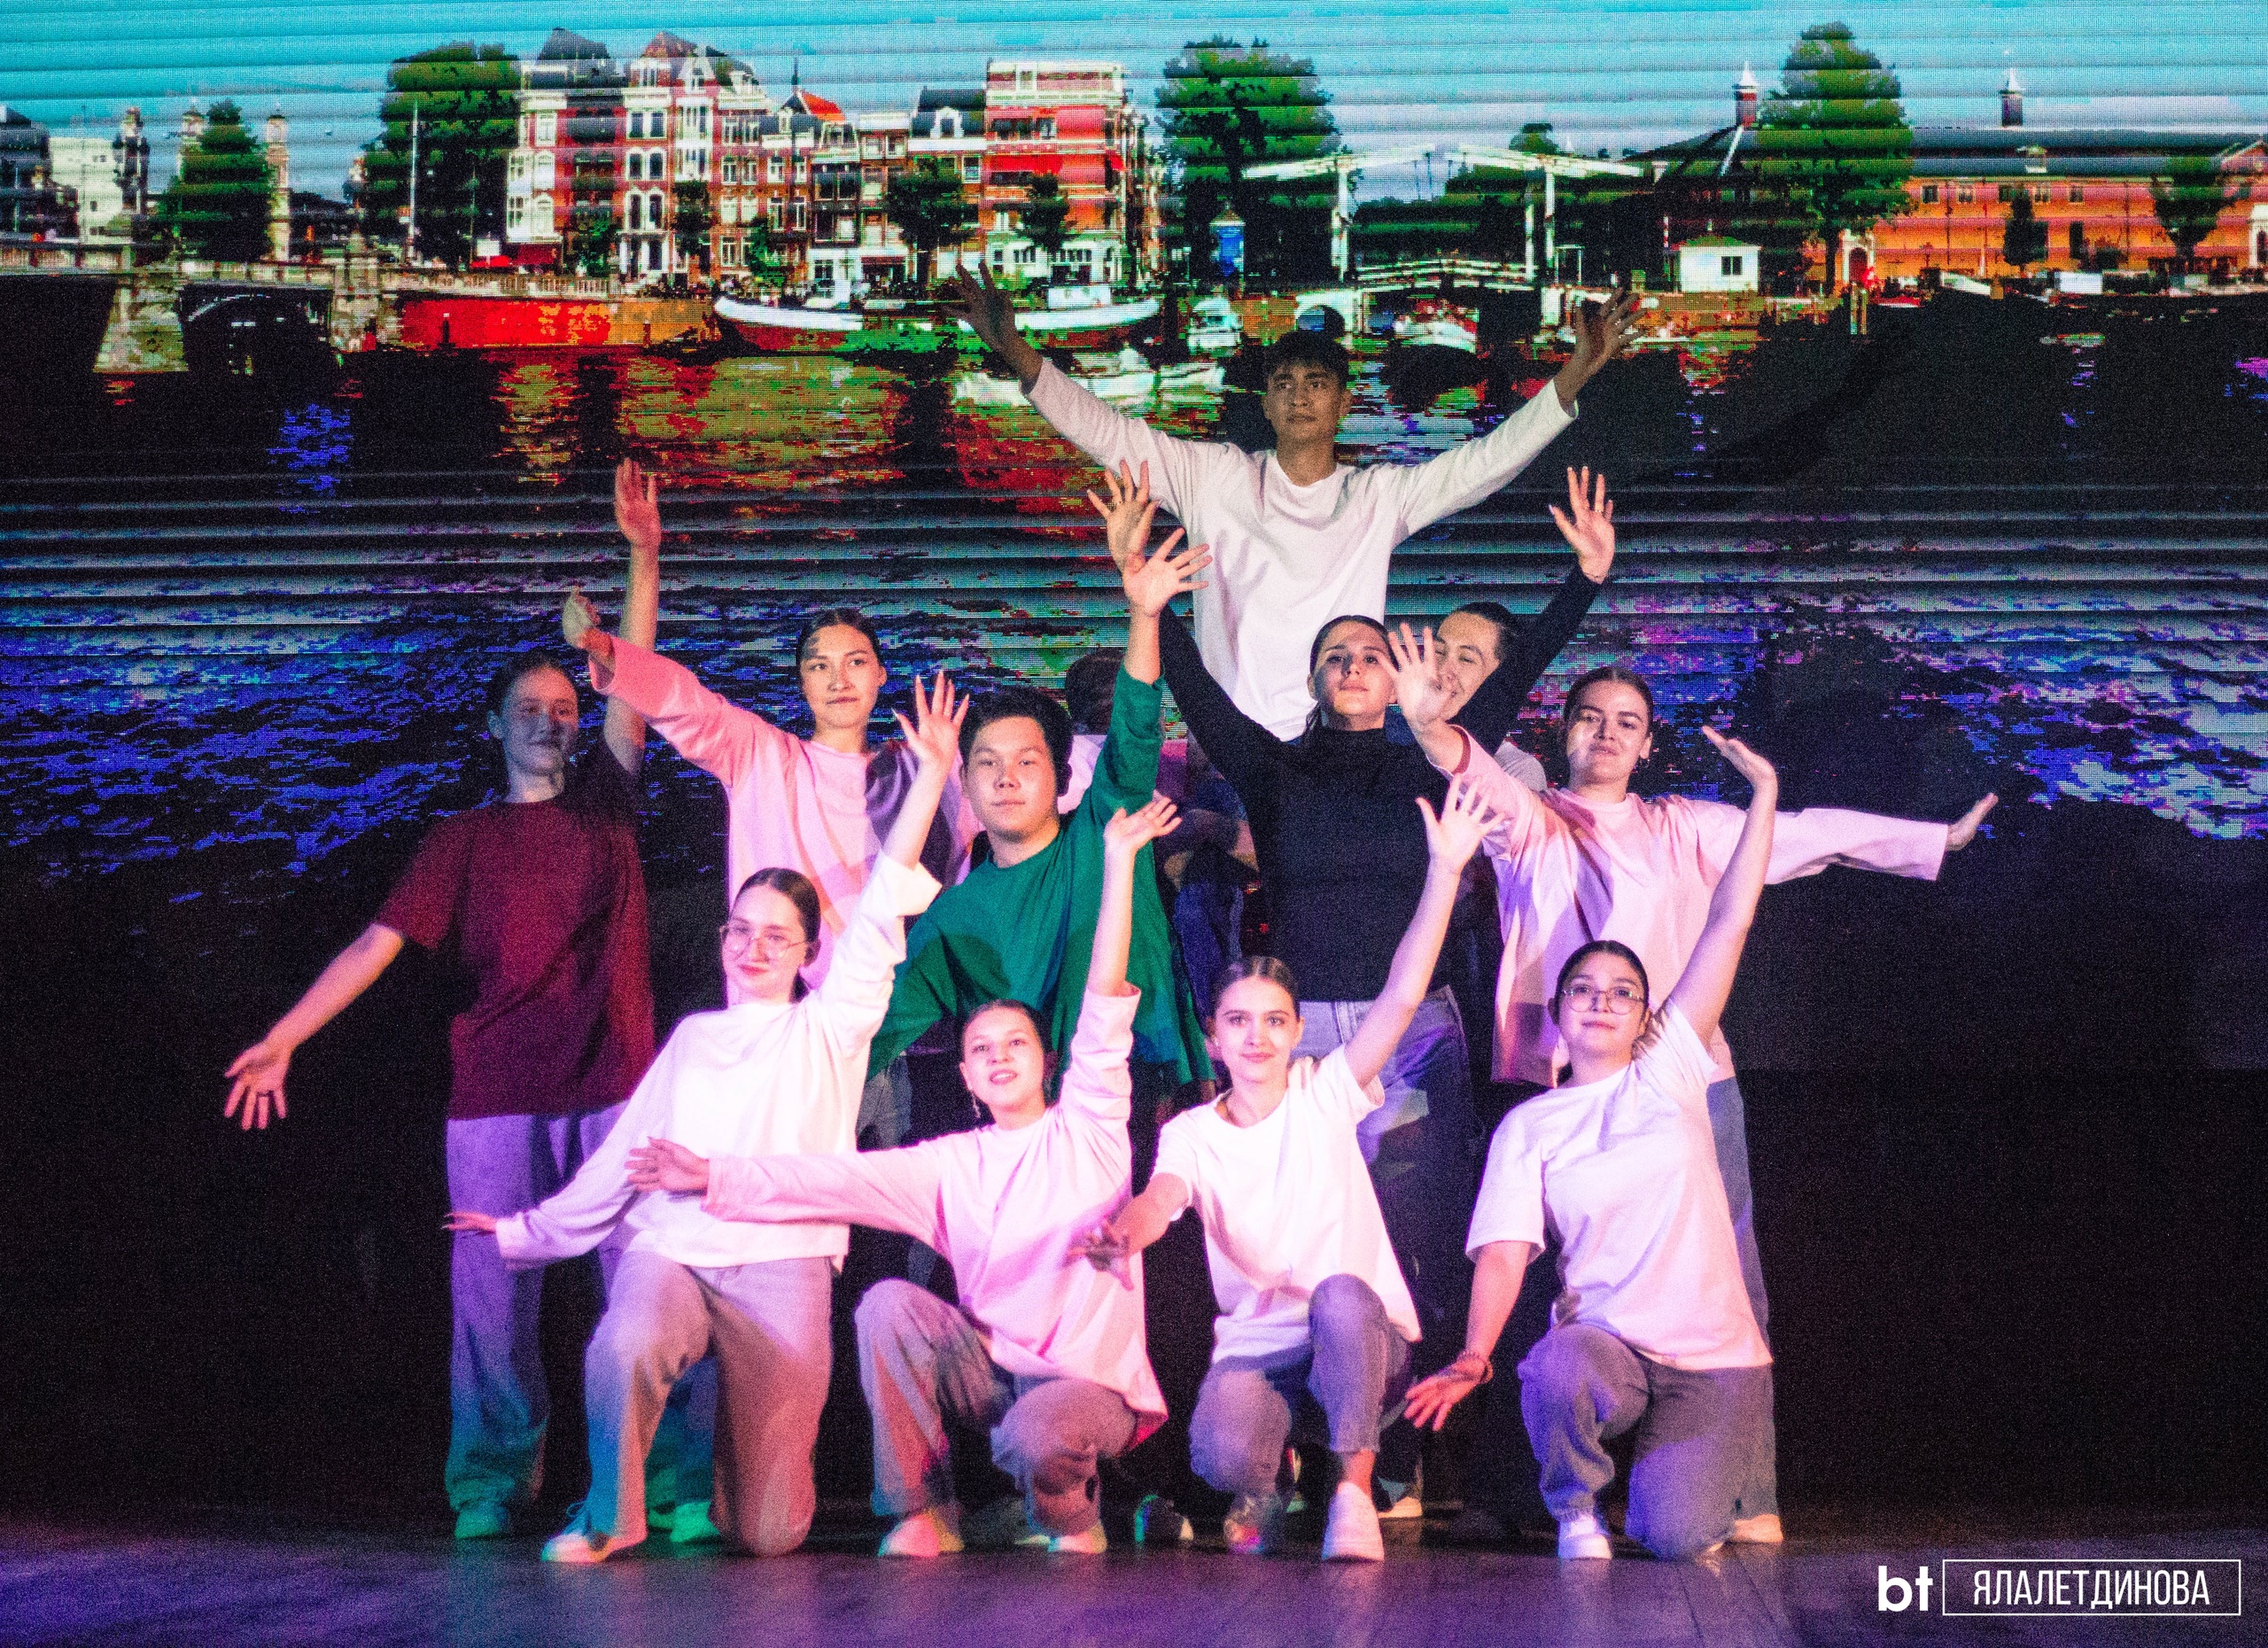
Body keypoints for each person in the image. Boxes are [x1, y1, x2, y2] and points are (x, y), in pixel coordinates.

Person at [1390, 474, 1999, 1540]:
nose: (1606, 733)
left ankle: (1746, 1490)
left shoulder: (1683, 823)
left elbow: (1801, 836)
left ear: (1648, 742)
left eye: (1627, 722)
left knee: (1727, 1279)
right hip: (1554, 1080)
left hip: (1684, 1083)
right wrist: (1429, 723)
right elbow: (1466, 767)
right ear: (1565, 732)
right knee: (1532, 1283)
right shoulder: (1531, 823)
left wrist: (1927, 842)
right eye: (1590, 718)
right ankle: (1529, 1494)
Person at [1092, 459, 1605, 1513]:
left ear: (1398, 673)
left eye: (1371, 652)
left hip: (1409, 1034)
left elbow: (1513, 681)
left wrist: (1584, 581)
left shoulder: (1431, 762)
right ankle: (1285, 1433)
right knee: (1295, 1250)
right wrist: (1143, 589)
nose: (1355, 666)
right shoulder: (1273, 768)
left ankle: (1398, 1460)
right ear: (1315, 679)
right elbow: (1192, 687)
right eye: (1336, 655)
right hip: (1292, 1047)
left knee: (1412, 1243)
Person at [221, 461, 662, 1539]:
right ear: (494, 725)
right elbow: (374, 947)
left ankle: (654, 1484)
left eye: (564, 708)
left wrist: (643, 558)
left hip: (618, 1087)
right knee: (493, 1306)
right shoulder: (461, 838)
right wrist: (284, 1038)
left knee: (642, 1292)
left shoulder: (607, 803)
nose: (550, 722)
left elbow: (639, 688)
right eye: (530, 709)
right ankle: (493, 1485)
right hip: (496, 1094)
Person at [444, 674, 965, 1563]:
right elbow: (622, 1161)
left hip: (782, 1267)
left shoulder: (831, 1028)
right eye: (740, 931)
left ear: (809, 953)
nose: (754, 947)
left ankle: (727, 1485)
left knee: (769, 1533)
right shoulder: (692, 1041)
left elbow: (883, 901)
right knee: (624, 1343)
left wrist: (931, 778)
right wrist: (525, 1229)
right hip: (678, 1255)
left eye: (777, 936)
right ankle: (610, 1514)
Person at [627, 797, 1184, 1555]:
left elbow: (1104, 995)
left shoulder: (1089, 1124)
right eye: (981, 1049)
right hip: (992, 1373)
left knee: (1036, 1437)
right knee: (886, 1305)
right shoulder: (949, 1164)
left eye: (1015, 1044)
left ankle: (1065, 1515)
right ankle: (924, 1511)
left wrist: (1118, 864)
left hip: (1085, 1387)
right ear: (966, 1076)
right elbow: (828, 1181)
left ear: (1048, 1062)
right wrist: (713, 1174)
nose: (998, 1057)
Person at [1075, 778, 1496, 1562]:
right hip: (1263, 1348)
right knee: (1222, 1458)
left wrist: (1443, 873)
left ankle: (1352, 1491)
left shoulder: (1323, 1092)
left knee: (1340, 1296)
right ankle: (1274, 1475)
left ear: (1298, 1031)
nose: (1257, 1037)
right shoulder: (1194, 1132)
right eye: (1239, 1021)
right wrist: (1121, 1235)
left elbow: (1403, 993)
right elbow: (1160, 1200)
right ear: (1215, 1036)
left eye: (1274, 1021)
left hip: (1363, 1344)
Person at [953, 267, 1635, 738]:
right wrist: (1011, 348)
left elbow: (1487, 462)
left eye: (1316, 383)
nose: (1300, 395)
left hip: (1340, 742)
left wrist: (1574, 374)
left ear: (1343, 402)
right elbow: (1105, 430)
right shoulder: (1211, 476)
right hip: (1230, 745)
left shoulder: (1378, 495)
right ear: (1266, 402)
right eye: (1284, 383)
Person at [1402, 727, 1783, 1562]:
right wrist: (1474, 1354)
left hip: (1711, 1363)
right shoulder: (1531, 1125)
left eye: (1622, 992)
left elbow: (1732, 917)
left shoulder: (1673, 1068)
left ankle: (1663, 1485)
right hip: (1607, 1350)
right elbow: (1504, 1253)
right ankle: (1574, 1507)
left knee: (1672, 1535)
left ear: (1648, 1015)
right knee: (1554, 1369)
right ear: (1558, 1012)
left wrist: (1762, 797)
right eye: (1583, 989)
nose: (1602, 1002)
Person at [860, 520, 1214, 1100]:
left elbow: (1133, 730)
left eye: (1027, 761)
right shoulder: (954, 918)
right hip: (1041, 1126)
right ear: (965, 786)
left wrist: (1144, 615)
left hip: (1152, 1092)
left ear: (1062, 777)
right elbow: (868, 1037)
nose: (1006, 778)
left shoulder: (1103, 832)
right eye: (987, 764)